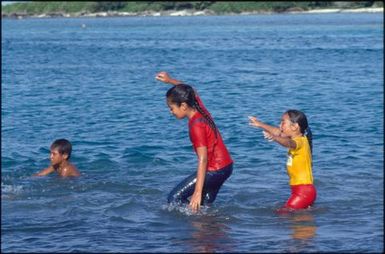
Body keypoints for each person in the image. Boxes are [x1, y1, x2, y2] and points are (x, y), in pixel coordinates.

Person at [155, 71, 233, 212]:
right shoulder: (199, 108)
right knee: (204, 207)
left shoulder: (196, 125)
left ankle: (192, 227)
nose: (171, 112)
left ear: (183, 106)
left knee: (174, 198)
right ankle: (211, 230)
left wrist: (197, 192)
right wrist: (170, 80)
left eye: (171, 108)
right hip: (226, 167)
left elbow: (203, 159)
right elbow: (190, 90)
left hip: (215, 169)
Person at [249, 110, 316, 211]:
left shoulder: (300, 142)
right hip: (302, 191)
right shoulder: (298, 136)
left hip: (303, 192)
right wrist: (259, 124)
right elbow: (278, 132)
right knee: (298, 221)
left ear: (294, 127)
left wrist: (274, 138)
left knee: (283, 215)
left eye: (283, 122)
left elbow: (289, 143)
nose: (280, 125)